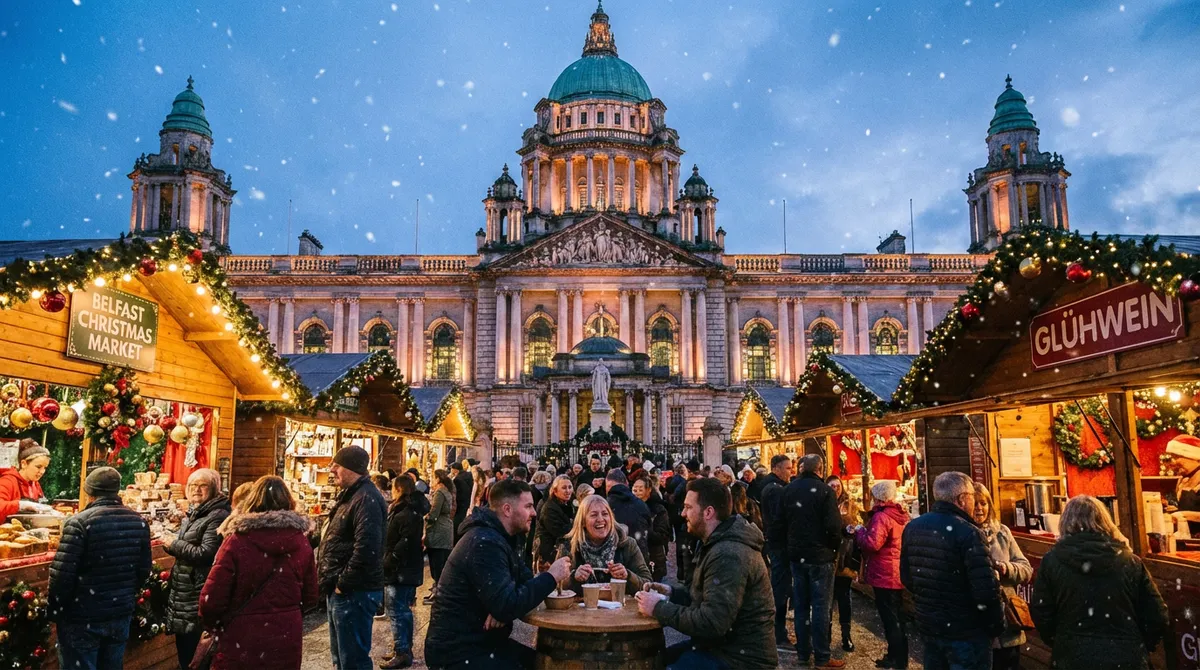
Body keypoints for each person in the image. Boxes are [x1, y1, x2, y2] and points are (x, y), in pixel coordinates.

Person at [424, 479, 572, 669]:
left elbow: (523, 582)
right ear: (507, 509)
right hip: (458, 653)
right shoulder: (484, 542)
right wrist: (551, 576)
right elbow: (510, 603)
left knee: (544, 662)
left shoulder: (504, 538)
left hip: (481, 643)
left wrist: (502, 606)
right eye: (528, 506)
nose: (534, 513)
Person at [634, 477, 778, 670]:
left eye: (688, 507)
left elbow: (712, 623)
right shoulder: (716, 542)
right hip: (720, 648)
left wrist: (658, 608)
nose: (683, 513)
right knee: (653, 659)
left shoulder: (729, 553)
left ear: (708, 512)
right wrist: (670, 592)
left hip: (740, 659)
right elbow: (706, 596)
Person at [1030, 495, 1168, 670]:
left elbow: (1042, 612)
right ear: (1105, 521)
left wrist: (1062, 642)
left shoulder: (1052, 561)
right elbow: (1157, 615)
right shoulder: (1130, 561)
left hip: (1072, 658)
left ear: (1065, 522)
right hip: (1127, 658)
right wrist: (1139, 644)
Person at [198, 476, 318, 670]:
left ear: (252, 501)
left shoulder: (236, 541)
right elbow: (311, 596)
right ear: (289, 502)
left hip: (240, 637)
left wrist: (214, 626)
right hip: (285, 635)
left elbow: (211, 599)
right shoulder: (301, 542)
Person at [49, 466, 152, 669]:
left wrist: (56, 611)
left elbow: (62, 576)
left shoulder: (79, 523)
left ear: (89, 491)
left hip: (82, 617)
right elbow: (143, 570)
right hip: (119, 614)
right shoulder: (138, 521)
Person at [900, 471, 1003, 670]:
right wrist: (995, 626)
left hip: (930, 626)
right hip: (966, 631)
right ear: (962, 499)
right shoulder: (969, 533)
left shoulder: (913, 527)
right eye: (973, 496)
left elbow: (907, 577)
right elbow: (985, 591)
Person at [317, 446, 388, 670]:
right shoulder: (353, 495)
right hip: (344, 590)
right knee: (342, 658)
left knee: (352, 660)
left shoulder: (366, 498)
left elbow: (367, 549)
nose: (332, 470)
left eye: (337, 465)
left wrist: (342, 584)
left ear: (352, 468)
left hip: (354, 592)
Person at [161, 468, 231, 669]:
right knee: (188, 655)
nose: (196, 490)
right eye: (192, 485)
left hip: (197, 593)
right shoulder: (195, 513)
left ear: (214, 489)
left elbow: (206, 553)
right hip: (187, 595)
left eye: (203, 486)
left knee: (195, 656)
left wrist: (174, 544)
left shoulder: (216, 516)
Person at [781, 454, 845, 668]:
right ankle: (822, 657)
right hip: (820, 557)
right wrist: (833, 548)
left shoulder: (788, 490)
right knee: (820, 607)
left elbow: (781, 522)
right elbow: (834, 527)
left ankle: (802, 654)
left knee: (800, 606)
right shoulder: (825, 491)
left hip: (797, 555)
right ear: (820, 469)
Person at [972, 483, 1032, 670]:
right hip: (976, 622)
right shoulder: (963, 534)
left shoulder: (1002, 533)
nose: (979, 508)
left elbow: (1026, 569)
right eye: (974, 503)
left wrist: (1006, 568)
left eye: (983, 503)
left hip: (1007, 622)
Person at [855, 480, 910, 670]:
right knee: (897, 617)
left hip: (884, 573)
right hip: (897, 571)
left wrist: (860, 532)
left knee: (890, 618)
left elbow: (873, 544)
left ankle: (896, 659)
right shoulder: (901, 514)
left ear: (877, 497)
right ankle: (899, 656)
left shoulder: (882, 517)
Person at [379, 475, 430, 669]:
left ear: (399, 489)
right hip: (404, 569)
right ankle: (402, 648)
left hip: (401, 571)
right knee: (401, 610)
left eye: (394, 488)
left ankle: (402, 651)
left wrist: (390, 560)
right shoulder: (409, 509)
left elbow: (405, 541)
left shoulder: (407, 512)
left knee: (397, 611)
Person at [558, 493, 651, 593]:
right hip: (582, 607)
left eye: (605, 514)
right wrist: (573, 578)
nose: (601, 519)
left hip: (621, 607)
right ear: (583, 522)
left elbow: (648, 584)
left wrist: (627, 576)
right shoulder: (569, 547)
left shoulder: (627, 544)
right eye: (593, 515)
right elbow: (555, 585)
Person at [760, 453, 794, 647]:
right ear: (776, 468)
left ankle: (778, 629)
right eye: (788, 468)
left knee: (780, 588)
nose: (791, 472)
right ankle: (777, 631)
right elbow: (778, 520)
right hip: (779, 545)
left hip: (777, 543)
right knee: (780, 589)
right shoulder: (775, 490)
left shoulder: (773, 487)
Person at [825, 474, 861, 654]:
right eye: (831, 486)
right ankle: (827, 634)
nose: (835, 489)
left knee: (844, 597)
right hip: (828, 558)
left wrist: (849, 526)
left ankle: (846, 636)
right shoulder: (823, 504)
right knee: (827, 600)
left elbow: (856, 524)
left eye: (837, 486)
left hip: (845, 557)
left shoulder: (850, 504)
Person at [0, 438, 55, 520]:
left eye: (45, 468)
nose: (42, 471)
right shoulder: (8, 481)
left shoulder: (35, 484)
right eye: (38, 467)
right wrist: (20, 505)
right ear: (24, 464)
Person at [605, 469, 652, 560]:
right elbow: (649, 530)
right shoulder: (641, 504)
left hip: (613, 561)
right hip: (639, 557)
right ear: (626, 483)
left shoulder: (604, 507)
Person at [424, 469, 456, 604]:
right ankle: (439, 591)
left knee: (437, 564)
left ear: (437, 479)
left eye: (432, 477)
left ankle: (438, 594)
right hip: (446, 530)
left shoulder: (439, 492)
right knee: (441, 563)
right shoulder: (447, 491)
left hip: (438, 532)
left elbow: (434, 514)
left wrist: (426, 517)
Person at [633, 474, 671, 581]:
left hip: (653, 558)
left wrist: (644, 529)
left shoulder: (659, 510)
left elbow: (662, 536)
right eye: (634, 489)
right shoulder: (630, 507)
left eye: (640, 489)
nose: (636, 493)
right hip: (635, 558)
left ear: (649, 490)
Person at [533, 475, 574, 568]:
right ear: (555, 491)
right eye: (564, 488)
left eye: (570, 487)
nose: (568, 491)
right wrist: (576, 524)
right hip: (548, 555)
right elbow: (560, 531)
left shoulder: (566, 505)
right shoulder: (549, 509)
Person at [450, 461, 473, 544]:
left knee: (457, 524)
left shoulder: (457, 479)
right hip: (468, 502)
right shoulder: (469, 475)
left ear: (455, 470)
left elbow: (457, 494)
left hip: (460, 504)